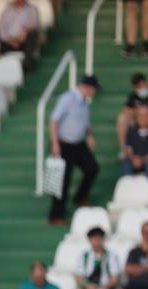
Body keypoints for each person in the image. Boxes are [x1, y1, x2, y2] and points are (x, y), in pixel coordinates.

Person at [48, 76, 100, 226]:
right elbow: (54, 121)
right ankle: (55, 215)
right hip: (64, 143)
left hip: (79, 143)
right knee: (63, 181)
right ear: (88, 87)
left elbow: (85, 122)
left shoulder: (85, 102)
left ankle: (80, 198)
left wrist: (89, 135)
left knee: (92, 168)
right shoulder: (67, 99)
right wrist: (55, 143)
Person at [121, 103, 148, 189]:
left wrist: (142, 160)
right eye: (141, 115)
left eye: (146, 115)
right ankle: (127, 190)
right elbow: (128, 150)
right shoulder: (132, 129)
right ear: (136, 117)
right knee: (126, 163)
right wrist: (134, 159)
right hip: (135, 160)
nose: (144, 118)